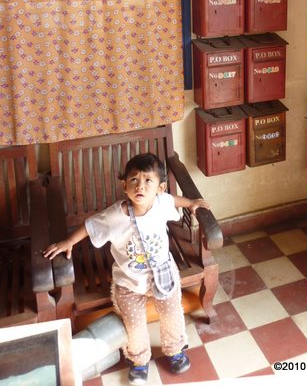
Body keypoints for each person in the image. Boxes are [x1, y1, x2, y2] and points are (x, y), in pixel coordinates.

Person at [44, 152, 209, 386]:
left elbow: (173, 200)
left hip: (163, 275)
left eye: (148, 181)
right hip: (129, 282)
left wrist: (191, 203)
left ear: (159, 187)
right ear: (124, 185)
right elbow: (90, 226)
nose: (140, 186)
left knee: (172, 314)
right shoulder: (115, 215)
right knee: (134, 324)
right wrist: (69, 241)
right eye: (134, 180)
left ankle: (175, 350)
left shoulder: (161, 202)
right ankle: (139, 360)